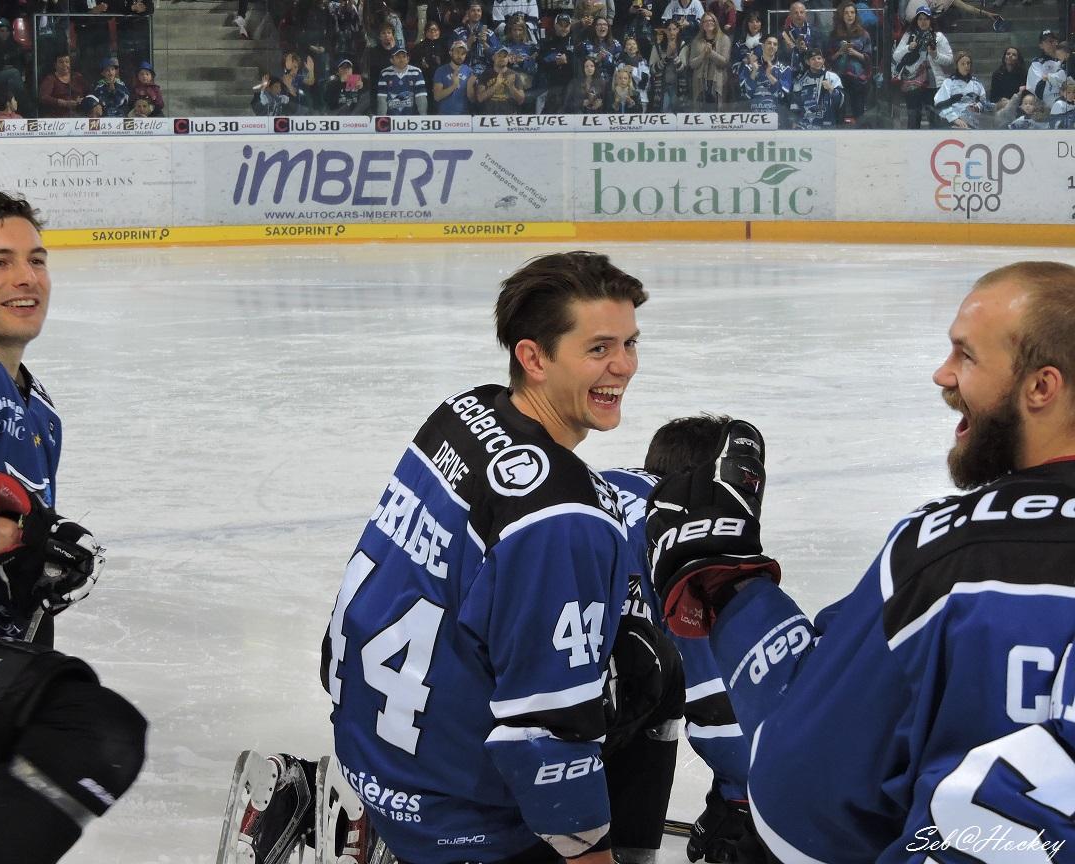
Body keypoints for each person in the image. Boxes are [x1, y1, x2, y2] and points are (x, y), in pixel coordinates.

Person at [645, 261, 1075, 863]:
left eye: (967, 355)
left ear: (1041, 388)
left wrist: (730, 585)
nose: (943, 373)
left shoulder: (947, 557)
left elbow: (805, 793)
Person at [325, 251, 648, 864]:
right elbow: (548, 731)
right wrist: (589, 850)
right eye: (599, 348)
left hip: (372, 752)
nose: (624, 366)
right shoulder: (564, 520)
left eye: (630, 343)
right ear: (534, 358)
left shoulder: (465, 411)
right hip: (467, 822)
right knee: (649, 670)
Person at [0, 192, 147, 863]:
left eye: (37, 260)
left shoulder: (40, 412)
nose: (26, 277)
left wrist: (39, 561)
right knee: (91, 730)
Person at [602, 416, 762, 864]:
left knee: (640, 661)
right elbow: (716, 706)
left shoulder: (605, 482)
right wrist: (743, 797)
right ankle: (627, 849)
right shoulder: (684, 538)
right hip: (552, 722)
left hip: (478, 701)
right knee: (662, 674)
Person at [892, 6, 952, 129]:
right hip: (912, 82)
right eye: (920, 19)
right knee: (913, 118)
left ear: (930, 20)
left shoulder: (939, 37)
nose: (923, 22)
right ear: (916, 20)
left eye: (926, 19)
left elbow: (949, 59)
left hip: (933, 83)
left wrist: (935, 55)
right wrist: (908, 47)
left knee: (934, 119)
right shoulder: (908, 35)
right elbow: (896, 56)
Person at [825, 0, 871, 123]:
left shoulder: (864, 34)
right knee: (839, 110)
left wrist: (855, 53)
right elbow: (828, 59)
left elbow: (869, 58)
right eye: (846, 13)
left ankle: (860, 132)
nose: (850, 15)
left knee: (859, 111)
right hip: (839, 77)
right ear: (841, 15)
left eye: (852, 12)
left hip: (858, 77)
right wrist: (839, 52)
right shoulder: (834, 35)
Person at [934, 49, 991, 128]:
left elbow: (984, 102)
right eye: (962, 64)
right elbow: (940, 105)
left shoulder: (977, 83)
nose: (966, 66)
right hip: (953, 122)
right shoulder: (949, 82)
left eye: (968, 63)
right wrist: (954, 119)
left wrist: (977, 107)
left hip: (974, 120)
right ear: (957, 65)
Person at [790, 45, 842, 127]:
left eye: (819, 58)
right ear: (807, 62)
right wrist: (794, 121)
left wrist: (831, 89)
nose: (817, 61)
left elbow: (841, 101)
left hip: (827, 125)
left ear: (823, 60)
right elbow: (795, 104)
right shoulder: (800, 81)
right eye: (813, 59)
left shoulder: (832, 77)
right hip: (805, 126)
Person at [686, 10, 729, 109]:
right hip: (699, 81)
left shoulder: (724, 39)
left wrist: (711, 53)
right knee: (700, 110)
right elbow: (692, 64)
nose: (709, 23)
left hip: (717, 81)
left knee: (717, 111)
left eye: (711, 20)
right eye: (706, 21)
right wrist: (703, 55)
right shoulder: (696, 41)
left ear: (715, 22)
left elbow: (724, 62)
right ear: (702, 25)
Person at [468, 43, 525, 112]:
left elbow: (521, 100)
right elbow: (480, 98)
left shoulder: (515, 75)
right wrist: (496, 85)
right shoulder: (485, 75)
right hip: (490, 116)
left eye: (505, 56)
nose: (502, 58)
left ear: (508, 58)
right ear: (493, 57)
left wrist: (511, 87)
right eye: (499, 56)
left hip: (509, 115)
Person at [376, 45, 428, 114]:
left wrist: (423, 117)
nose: (401, 59)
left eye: (404, 56)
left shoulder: (416, 72)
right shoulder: (385, 73)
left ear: (408, 59)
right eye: (398, 57)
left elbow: (421, 97)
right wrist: (382, 117)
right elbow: (382, 99)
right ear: (391, 60)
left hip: (412, 117)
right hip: (391, 117)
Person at [1027, 29, 1068, 110]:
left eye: (1054, 40)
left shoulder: (1066, 60)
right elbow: (1039, 91)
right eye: (1048, 41)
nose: (1052, 43)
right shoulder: (1037, 63)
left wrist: (1049, 78)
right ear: (1041, 45)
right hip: (1047, 108)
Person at [38, 52, 87, 117]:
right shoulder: (50, 79)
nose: (64, 65)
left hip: (79, 114)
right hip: (57, 117)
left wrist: (83, 99)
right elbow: (43, 97)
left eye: (67, 62)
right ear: (55, 65)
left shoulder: (78, 77)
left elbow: (89, 93)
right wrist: (64, 103)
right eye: (61, 62)